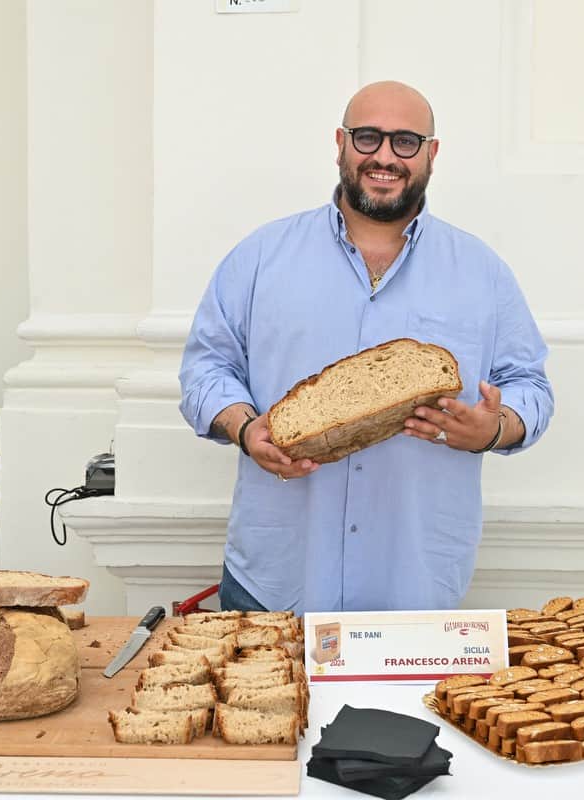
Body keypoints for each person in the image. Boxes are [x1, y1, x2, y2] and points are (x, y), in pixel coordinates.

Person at [179, 81, 553, 615]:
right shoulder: (260, 257)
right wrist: (244, 427)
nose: (384, 156)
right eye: (368, 137)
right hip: (277, 577)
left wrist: (494, 428)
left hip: (415, 583)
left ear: (432, 153)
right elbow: (206, 369)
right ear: (340, 143)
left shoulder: (481, 272)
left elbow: (530, 385)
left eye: (405, 141)